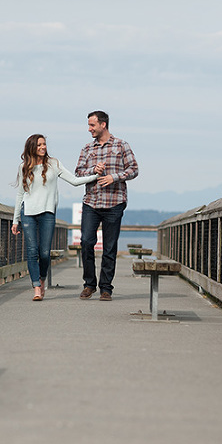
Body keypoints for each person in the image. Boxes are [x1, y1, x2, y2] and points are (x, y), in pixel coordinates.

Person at [12, 134, 103, 301]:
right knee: (32, 252)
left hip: (47, 213)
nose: (43, 147)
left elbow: (74, 181)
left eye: (44, 144)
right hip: (28, 213)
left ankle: (42, 278)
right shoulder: (23, 166)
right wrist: (15, 220)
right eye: (39, 145)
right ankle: (37, 288)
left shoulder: (54, 164)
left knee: (45, 253)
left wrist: (95, 176)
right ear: (32, 147)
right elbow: (20, 194)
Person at [75, 110, 139, 301]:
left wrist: (114, 177)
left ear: (103, 124)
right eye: (88, 125)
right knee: (86, 242)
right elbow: (78, 173)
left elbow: (134, 169)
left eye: (92, 125)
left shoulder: (121, 145)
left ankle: (106, 288)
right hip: (91, 202)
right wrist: (93, 170)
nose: (89, 129)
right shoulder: (87, 149)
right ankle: (89, 284)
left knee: (109, 247)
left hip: (114, 202)